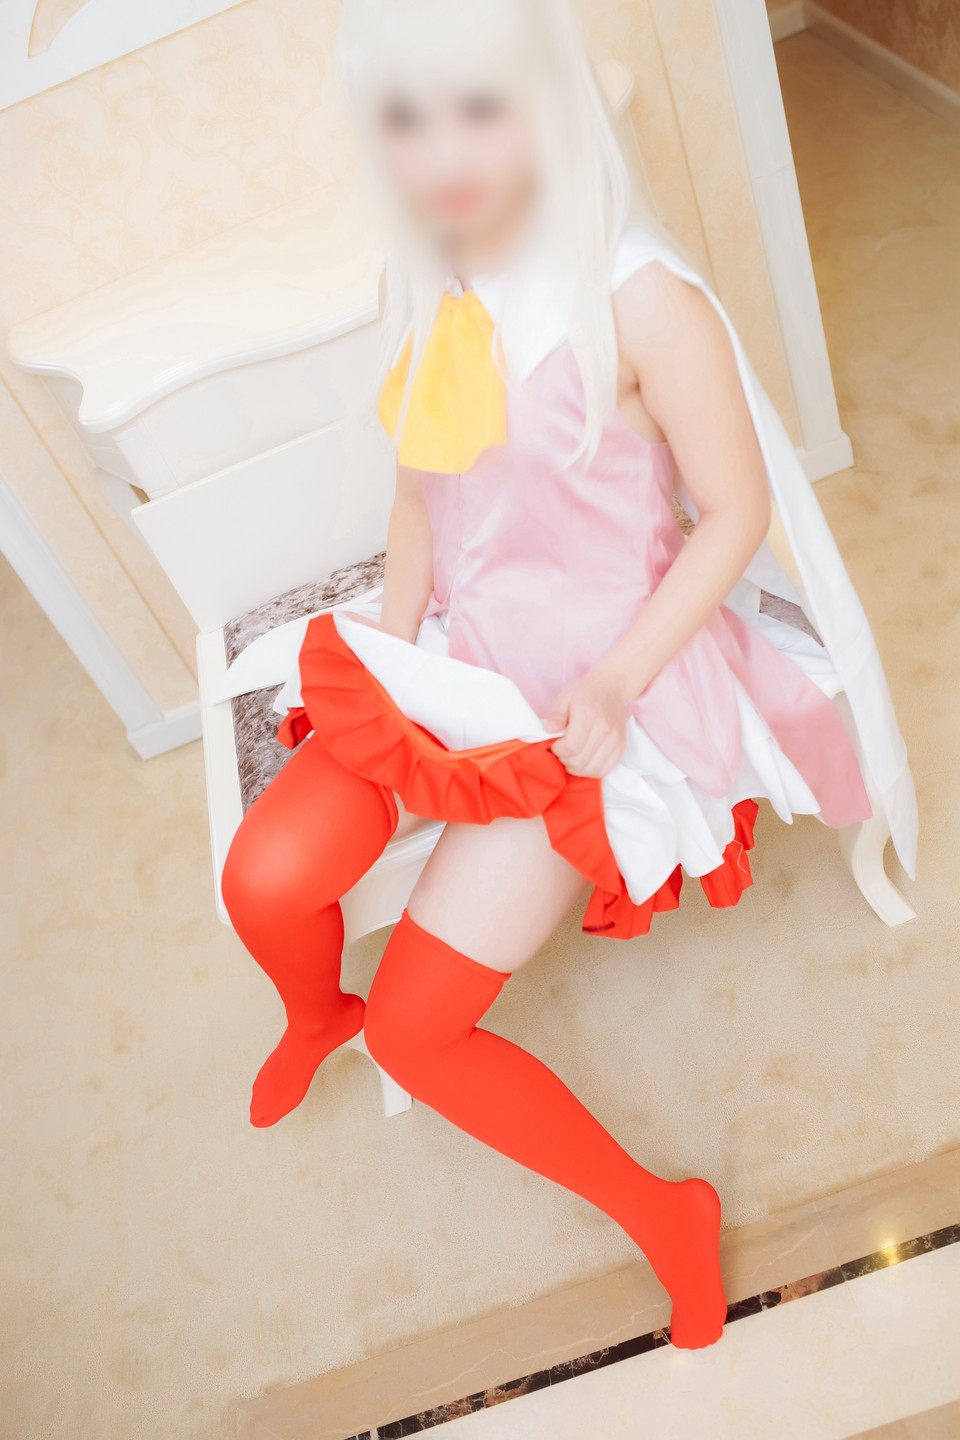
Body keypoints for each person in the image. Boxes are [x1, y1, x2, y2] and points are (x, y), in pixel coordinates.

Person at [221, 0, 916, 1350]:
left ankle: (667, 1213)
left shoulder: (643, 297)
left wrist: (613, 685)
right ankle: (317, 1009)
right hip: (456, 654)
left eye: (477, 108)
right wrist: (392, 659)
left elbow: (735, 513)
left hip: (588, 692)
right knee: (264, 880)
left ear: (544, 102)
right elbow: (418, 501)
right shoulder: (434, 275)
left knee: (421, 1036)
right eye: (408, 120)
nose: (443, 154)